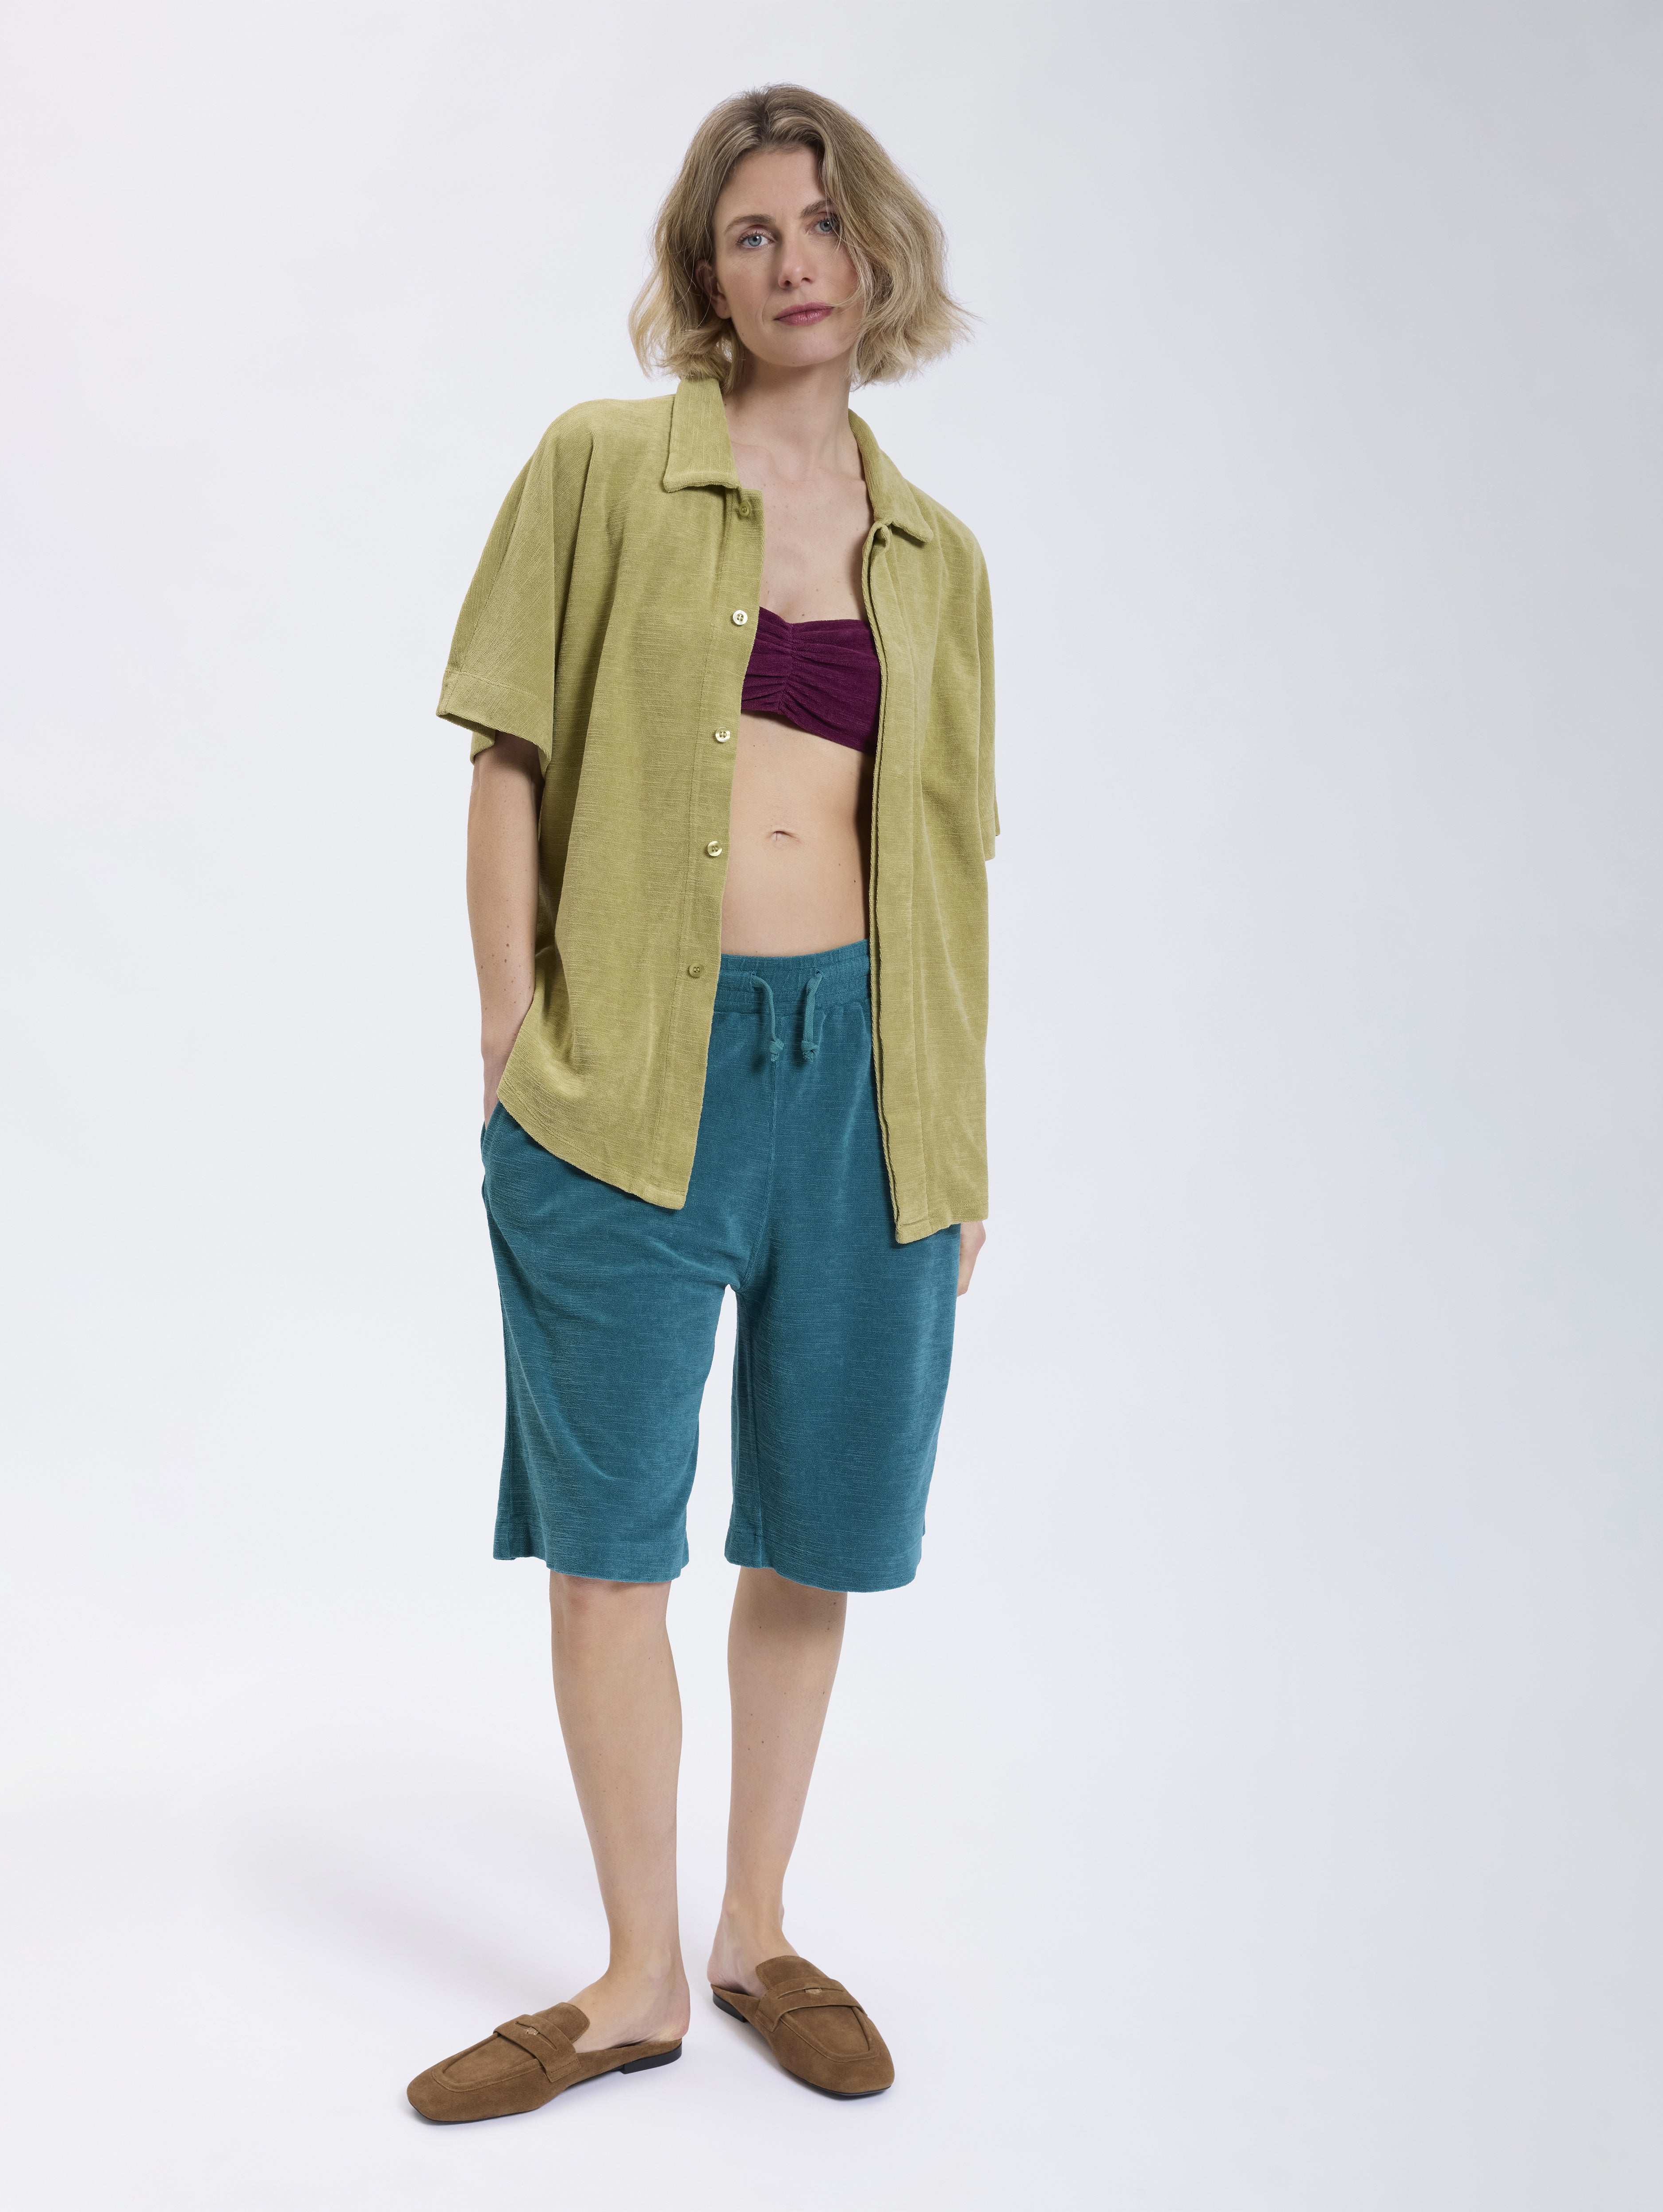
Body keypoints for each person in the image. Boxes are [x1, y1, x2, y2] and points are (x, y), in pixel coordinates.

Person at [407, 84, 997, 2124]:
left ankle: (752, 1929)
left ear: (878, 254)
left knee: (814, 1524)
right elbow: (506, 759)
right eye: (751, 233)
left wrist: (956, 1131)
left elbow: (947, 865)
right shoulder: (599, 468)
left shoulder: (937, 559)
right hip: (623, 1084)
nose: (794, 261)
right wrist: (512, 1042)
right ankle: (634, 1974)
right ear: (705, 273)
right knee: (605, 1543)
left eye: (823, 224)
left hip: (866, 1088)